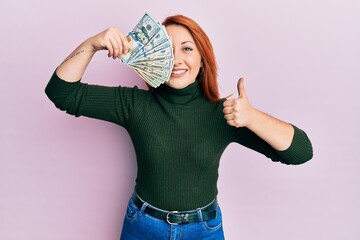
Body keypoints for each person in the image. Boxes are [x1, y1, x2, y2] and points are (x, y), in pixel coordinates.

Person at [45, 14, 313, 240]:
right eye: (168, 49)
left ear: (202, 61)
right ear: (155, 56)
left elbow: (301, 152)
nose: (176, 59)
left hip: (204, 230)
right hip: (142, 226)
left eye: (186, 49)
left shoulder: (225, 114)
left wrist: (253, 117)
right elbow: (61, 93)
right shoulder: (133, 104)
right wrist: (92, 44)